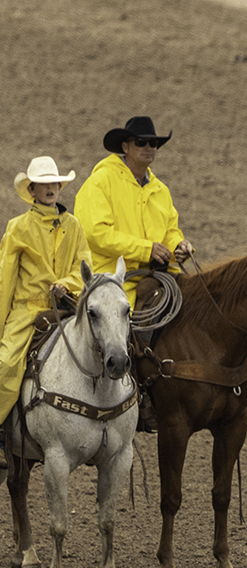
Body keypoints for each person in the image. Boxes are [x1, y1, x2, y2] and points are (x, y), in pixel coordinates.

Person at [1, 157, 91, 457]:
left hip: (67, 305)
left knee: (110, 344)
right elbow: (4, 280)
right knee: (5, 366)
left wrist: (68, 282)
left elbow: (84, 266)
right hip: (27, 311)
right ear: (33, 189)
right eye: (44, 183)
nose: (51, 188)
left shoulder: (74, 225)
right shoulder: (18, 228)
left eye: (55, 183)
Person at [74, 117, 192, 306]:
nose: (148, 147)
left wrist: (178, 246)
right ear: (125, 147)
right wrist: (146, 250)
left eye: (153, 143)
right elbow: (96, 234)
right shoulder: (100, 182)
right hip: (111, 279)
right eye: (140, 142)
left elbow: (169, 232)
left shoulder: (161, 190)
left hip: (158, 276)